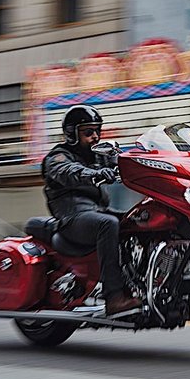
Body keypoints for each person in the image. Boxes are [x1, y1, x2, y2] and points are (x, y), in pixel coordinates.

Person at [42, 104, 140, 317]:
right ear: (72, 134)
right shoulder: (58, 156)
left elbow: (124, 161)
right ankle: (114, 297)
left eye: (97, 131)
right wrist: (93, 174)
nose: (95, 136)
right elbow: (68, 171)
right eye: (88, 132)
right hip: (72, 217)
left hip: (97, 212)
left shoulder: (99, 155)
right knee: (108, 224)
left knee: (140, 220)